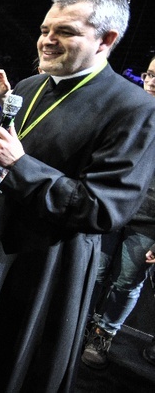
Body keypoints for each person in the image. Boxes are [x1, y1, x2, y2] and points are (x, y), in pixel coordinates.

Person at [0, 0, 155, 392]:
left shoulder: (134, 109)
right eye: (44, 29)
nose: (47, 40)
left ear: (106, 40)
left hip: (45, 267)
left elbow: (103, 208)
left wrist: (18, 165)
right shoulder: (27, 88)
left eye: (65, 32)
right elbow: (5, 167)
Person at [80, 55, 155, 369]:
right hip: (112, 207)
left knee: (126, 282)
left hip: (149, 222)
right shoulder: (130, 108)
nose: (152, 81)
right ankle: (79, 325)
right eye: (150, 74)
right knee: (94, 272)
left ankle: (104, 333)